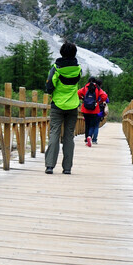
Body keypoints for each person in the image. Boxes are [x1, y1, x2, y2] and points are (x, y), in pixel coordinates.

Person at [44, 41, 82, 175]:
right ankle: (67, 168)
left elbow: (49, 87)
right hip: (72, 105)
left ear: (61, 52)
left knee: (54, 132)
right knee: (69, 136)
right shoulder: (78, 69)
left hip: (57, 105)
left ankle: (50, 165)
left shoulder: (56, 68)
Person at [79, 77, 108, 147]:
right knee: (92, 125)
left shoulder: (85, 87)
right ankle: (90, 136)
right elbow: (105, 96)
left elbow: (78, 93)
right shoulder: (97, 88)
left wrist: (82, 98)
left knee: (87, 124)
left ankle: (86, 139)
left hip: (85, 109)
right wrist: (99, 101)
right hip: (94, 109)